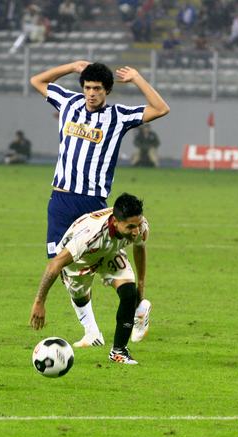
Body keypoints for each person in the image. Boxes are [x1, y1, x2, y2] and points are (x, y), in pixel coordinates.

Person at [29, 60, 168, 346]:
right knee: (64, 267)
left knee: (103, 262)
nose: (92, 93)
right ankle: (92, 332)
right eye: (88, 87)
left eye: (98, 89)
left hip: (92, 203)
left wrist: (137, 78)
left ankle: (137, 305)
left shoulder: (117, 116)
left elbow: (160, 108)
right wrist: (71, 66)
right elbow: (37, 81)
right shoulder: (69, 102)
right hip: (60, 199)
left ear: (107, 91)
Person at [30, 193, 152, 364]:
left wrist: (141, 284)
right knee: (80, 297)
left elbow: (139, 247)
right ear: (115, 222)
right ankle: (92, 333)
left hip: (110, 252)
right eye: (131, 227)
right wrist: (39, 302)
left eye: (137, 225)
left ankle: (119, 351)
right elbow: (54, 264)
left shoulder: (140, 226)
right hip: (79, 261)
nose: (136, 231)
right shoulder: (90, 235)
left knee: (129, 293)